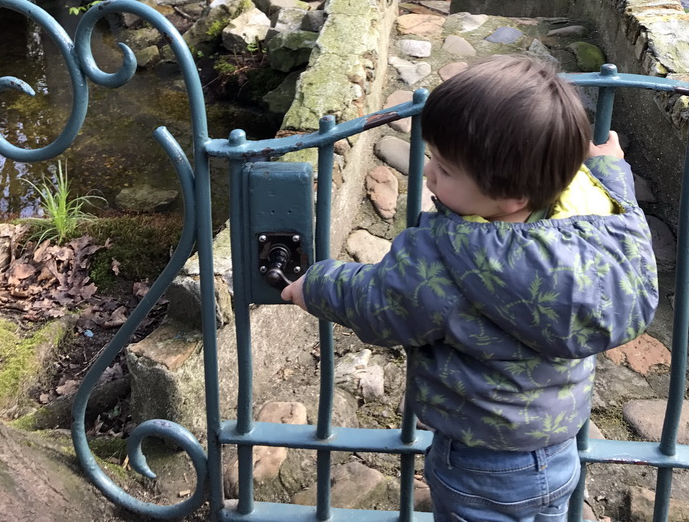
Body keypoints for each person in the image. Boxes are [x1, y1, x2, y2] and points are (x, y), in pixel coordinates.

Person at [282, 55, 658, 522]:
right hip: (559, 452)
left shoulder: (451, 258)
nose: (429, 173)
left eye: (445, 167)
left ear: (509, 197)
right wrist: (611, 171)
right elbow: (631, 226)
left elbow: (379, 302)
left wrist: (314, 285)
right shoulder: (600, 223)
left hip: (479, 465)